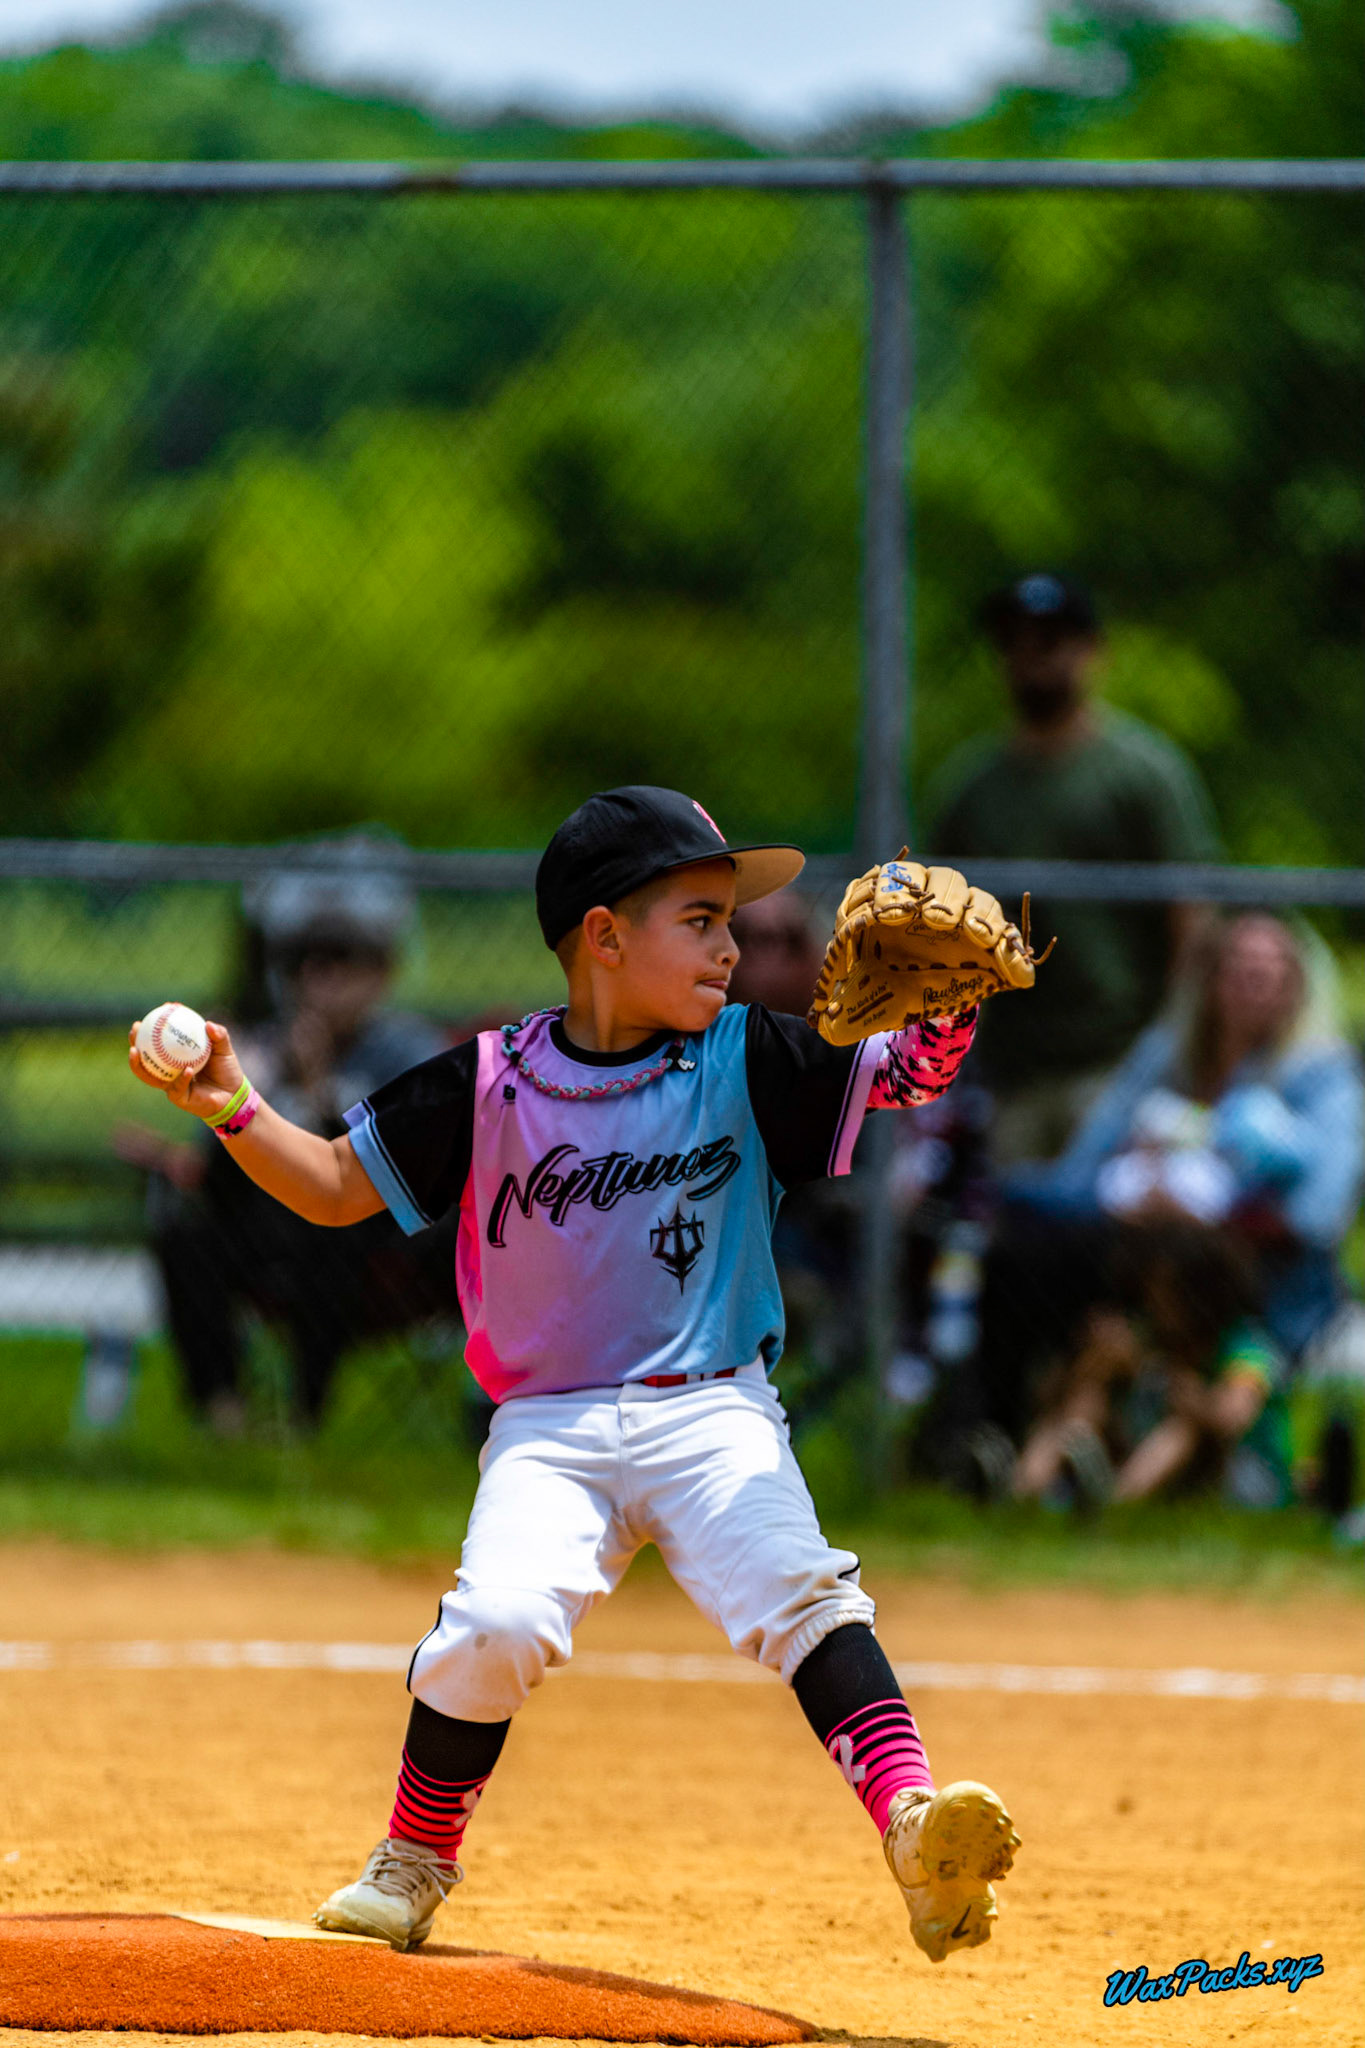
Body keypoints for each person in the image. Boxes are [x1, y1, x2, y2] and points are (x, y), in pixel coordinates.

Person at [127, 785, 1019, 1965]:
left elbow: (905, 1075)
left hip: (713, 1410)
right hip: (546, 1425)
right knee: (492, 1622)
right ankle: (411, 1858)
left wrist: (949, 1004)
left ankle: (910, 1825)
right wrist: (231, 1104)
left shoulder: (749, 1056)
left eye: (730, 921)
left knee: (803, 1594)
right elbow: (340, 1186)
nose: (732, 943)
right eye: (698, 917)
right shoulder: (489, 1078)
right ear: (603, 935)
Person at [117, 868, 451, 1432]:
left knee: (330, 1227)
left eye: (343, 962)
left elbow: (400, 1168)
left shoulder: (407, 1051)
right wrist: (223, 1109)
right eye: (306, 965)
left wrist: (319, 1086)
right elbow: (220, 1167)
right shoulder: (262, 1046)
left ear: (380, 975)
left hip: (375, 1247)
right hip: (267, 1237)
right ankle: (221, 1411)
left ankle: (303, 1415)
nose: (322, 979)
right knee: (186, 1235)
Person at [928, 572, 1220, 1163]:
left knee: (1105, 1232)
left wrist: (1170, 1049)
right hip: (1008, 1073)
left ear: (1092, 651)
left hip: (1118, 1061)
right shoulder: (973, 787)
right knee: (1012, 1238)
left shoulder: (1141, 774)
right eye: (1016, 642)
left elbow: (1193, 921)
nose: (1032, 658)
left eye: (1051, 641)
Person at [1017, 912, 1364, 1362]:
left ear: (1296, 985)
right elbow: (1080, 1170)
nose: (1253, 980)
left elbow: (1316, 1217)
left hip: (1257, 1286)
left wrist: (1201, 1213)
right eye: (1238, 964)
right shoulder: (1168, 1054)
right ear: (1210, 976)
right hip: (1133, 1253)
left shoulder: (1323, 1077)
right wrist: (1130, 1185)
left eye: (1270, 969)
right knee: (1019, 1230)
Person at [1012, 1222, 1292, 1509]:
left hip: (1248, 1480)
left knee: (1185, 1427)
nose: (1153, 1303)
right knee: (1089, 1398)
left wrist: (1171, 1384)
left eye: (1164, 1293)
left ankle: (1117, 1505)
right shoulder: (1148, 1337)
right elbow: (1049, 1398)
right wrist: (1095, 1365)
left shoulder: (1248, 1349)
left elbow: (1231, 1417)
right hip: (1168, 1471)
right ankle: (1023, 1492)